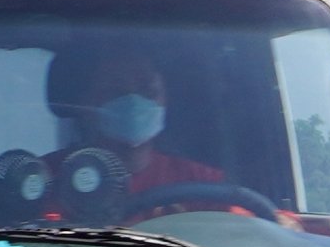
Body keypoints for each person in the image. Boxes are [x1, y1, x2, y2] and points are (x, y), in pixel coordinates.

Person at [57, 45, 233, 199]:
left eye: (148, 91)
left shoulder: (206, 187)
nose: (134, 103)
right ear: (87, 103)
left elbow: (243, 232)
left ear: (165, 100)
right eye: (116, 91)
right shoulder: (50, 180)